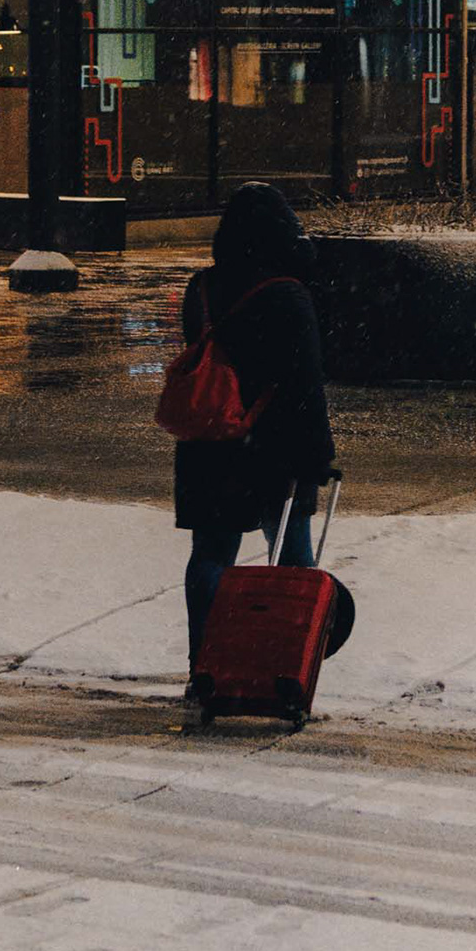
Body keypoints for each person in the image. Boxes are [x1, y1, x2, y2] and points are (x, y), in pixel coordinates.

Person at [176, 181, 335, 667]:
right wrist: (317, 456)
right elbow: (305, 384)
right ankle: (285, 666)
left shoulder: (203, 288)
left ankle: (205, 666)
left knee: (211, 556)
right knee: (292, 563)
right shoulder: (288, 295)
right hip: (275, 446)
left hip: (210, 438)